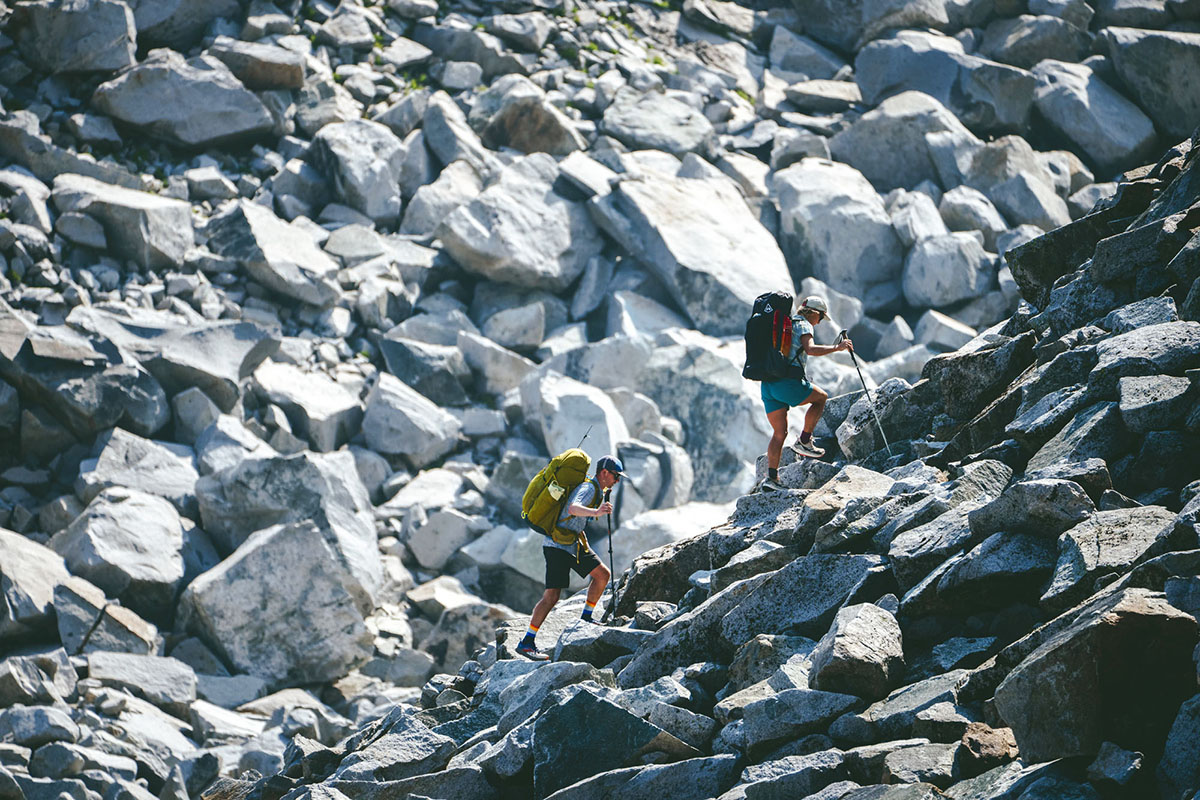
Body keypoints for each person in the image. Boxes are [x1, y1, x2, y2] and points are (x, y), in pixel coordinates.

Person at [515, 454, 623, 660]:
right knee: (552, 596)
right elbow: (573, 508)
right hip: (557, 545)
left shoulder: (598, 490)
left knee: (602, 575)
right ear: (605, 473)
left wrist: (596, 510)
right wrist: (597, 511)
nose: (617, 481)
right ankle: (526, 642)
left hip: (573, 542)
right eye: (616, 476)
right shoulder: (589, 488)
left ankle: (586, 619)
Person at [759, 295, 852, 492]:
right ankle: (805, 441)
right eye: (820, 317)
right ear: (814, 313)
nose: (819, 322)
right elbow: (810, 349)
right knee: (821, 398)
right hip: (787, 382)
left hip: (768, 384)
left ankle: (771, 478)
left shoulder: (785, 324)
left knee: (779, 433)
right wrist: (837, 347)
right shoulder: (803, 324)